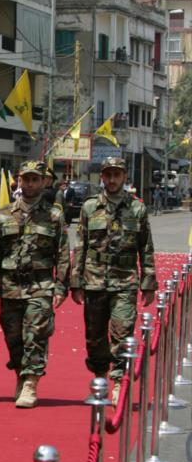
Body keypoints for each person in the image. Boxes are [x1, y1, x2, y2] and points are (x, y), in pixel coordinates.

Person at [70, 156, 157, 404]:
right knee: (94, 335)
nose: (111, 179)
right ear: (102, 177)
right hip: (94, 280)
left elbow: (146, 248)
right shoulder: (89, 208)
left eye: (116, 175)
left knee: (122, 331)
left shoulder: (137, 209)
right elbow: (80, 246)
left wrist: (149, 283)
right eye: (107, 174)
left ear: (124, 177)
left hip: (125, 281)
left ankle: (120, 381)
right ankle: (100, 379)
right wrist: (76, 281)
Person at [0, 161, 70, 408]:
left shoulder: (54, 216)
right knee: (14, 338)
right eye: (26, 179)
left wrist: (61, 286)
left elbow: (63, 253)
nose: (30, 184)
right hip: (10, 286)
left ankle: (30, 383)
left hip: (41, 285)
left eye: (35, 179)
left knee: (36, 334)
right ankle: (20, 375)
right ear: (19, 181)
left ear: (44, 182)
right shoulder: (3, 214)